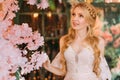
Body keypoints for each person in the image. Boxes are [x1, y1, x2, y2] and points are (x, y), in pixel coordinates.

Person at [43, 2, 111, 80]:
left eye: (80, 16)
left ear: (89, 21)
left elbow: (100, 72)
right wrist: (48, 67)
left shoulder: (98, 42)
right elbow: (64, 71)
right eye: (73, 14)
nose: (75, 18)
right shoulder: (64, 40)